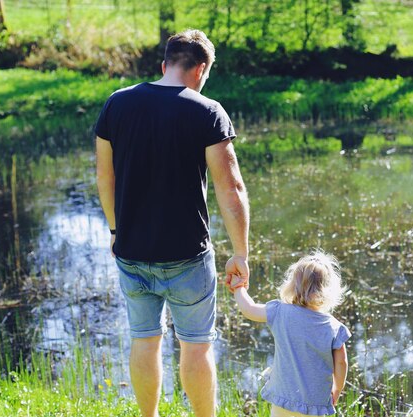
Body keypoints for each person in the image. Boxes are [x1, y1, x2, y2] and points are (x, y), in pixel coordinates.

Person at [95, 29, 249, 417]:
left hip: (131, 252)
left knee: (144, 341)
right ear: (200, 70)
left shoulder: (117, 104)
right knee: (196, 345)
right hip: (188, 258)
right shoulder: (207, 111)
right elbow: (230, 189)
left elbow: (104, 176)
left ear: (165, 65)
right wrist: (240, 254)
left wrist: (116, 231)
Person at [229, 251, 350, 417]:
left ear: (292, 284)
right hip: (315, 404)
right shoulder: (334, 327)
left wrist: (238, 288)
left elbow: (249, 309)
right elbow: (342, 362)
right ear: (329, 289)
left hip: (284, 397)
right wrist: (337, 389)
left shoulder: (280, 312)